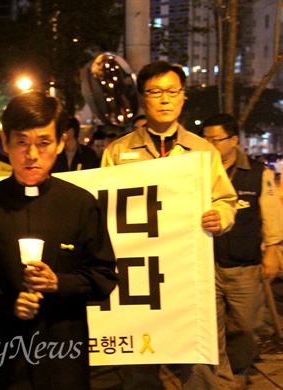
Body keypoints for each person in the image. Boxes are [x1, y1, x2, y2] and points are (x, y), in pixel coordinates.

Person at [0, 91, 118, 389]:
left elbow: (103, 277)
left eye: (43, 142)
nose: (31, 155)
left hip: (62, 353)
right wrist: (8, 303)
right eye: (21, 142)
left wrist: (59, 283)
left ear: (61, 142)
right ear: (6, 144)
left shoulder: (80, 204)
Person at [101, 60, 237, 389]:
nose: (165, 99)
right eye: (155, 92)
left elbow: (225, 199)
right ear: (141, 98)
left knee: (198, 361)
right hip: (138, 278)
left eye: (173, 91)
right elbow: (101, 209)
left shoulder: (203, 151)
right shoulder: (118, 152)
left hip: (189, 275)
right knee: (139, 363)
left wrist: (221, 217)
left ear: (183, 97)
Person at [201, 113, 283, 389]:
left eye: (216, 140)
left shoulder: (258, 172)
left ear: (234, 140)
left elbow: (272, 216)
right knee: (212, 328)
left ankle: (238, 368)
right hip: (206, 264)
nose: (210, 145)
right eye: (206, 139)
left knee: (245, 326)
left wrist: (272, 250)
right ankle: (224, 379)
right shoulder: (198, 173)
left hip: (244, 265)